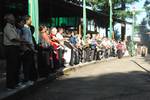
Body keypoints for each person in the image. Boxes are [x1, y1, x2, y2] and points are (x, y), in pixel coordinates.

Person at [3, 14, 22, 89]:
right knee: (11, 66)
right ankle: (10, 85)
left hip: (15, 48)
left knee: (16, 66)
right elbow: (13, 38)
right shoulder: (7, 27)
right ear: (8, 19)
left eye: (13, 17)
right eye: (12, 18)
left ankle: (15, 82)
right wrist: (21, 40)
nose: (14, 19)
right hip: (10, 48)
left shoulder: (13, 27)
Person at [21, 15, 37, 84]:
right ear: (27, 20)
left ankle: (28, 79)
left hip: (29, 49)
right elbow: (27, 41)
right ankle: (27, 80)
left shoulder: (27, 28)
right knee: (27, 66)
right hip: (28, 50)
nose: (31, 21)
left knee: (28, 65)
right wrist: (32, 49)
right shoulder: (25, 29)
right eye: (30, 19)